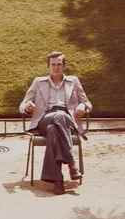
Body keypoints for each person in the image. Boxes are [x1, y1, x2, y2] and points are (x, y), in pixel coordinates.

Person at [19, 51, 92, 195]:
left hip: (67, 120)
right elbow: (23, 104)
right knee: (56, 119)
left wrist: (83, 107)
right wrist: (27, 106)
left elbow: (87, 102)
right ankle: (71, 163)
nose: (56, 67)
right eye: (53, 65)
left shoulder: (74, 81)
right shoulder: (38, 82)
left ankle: (57, 181)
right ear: (48, 66)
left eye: (59, 64)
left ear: (64, 66)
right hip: (44, 120)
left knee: (54, 128)